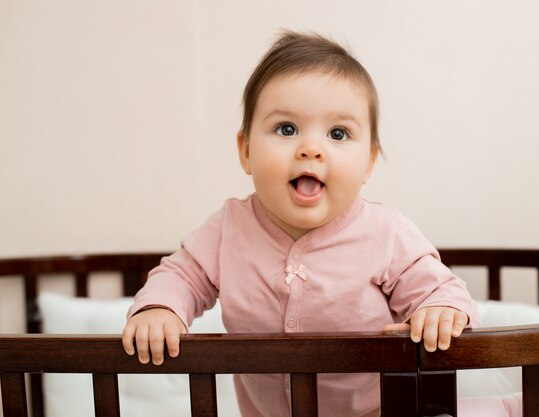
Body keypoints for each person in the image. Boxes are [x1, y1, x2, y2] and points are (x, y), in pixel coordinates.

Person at [122, 30, 479, 417]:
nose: (311, 148)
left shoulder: (386, 232)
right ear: (245, 151)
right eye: (286, 129)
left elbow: (442, 289)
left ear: (369, 162)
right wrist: (160, 308)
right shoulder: (229, 228)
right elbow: (182, 276)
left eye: (338, 133)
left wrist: (440, 310)